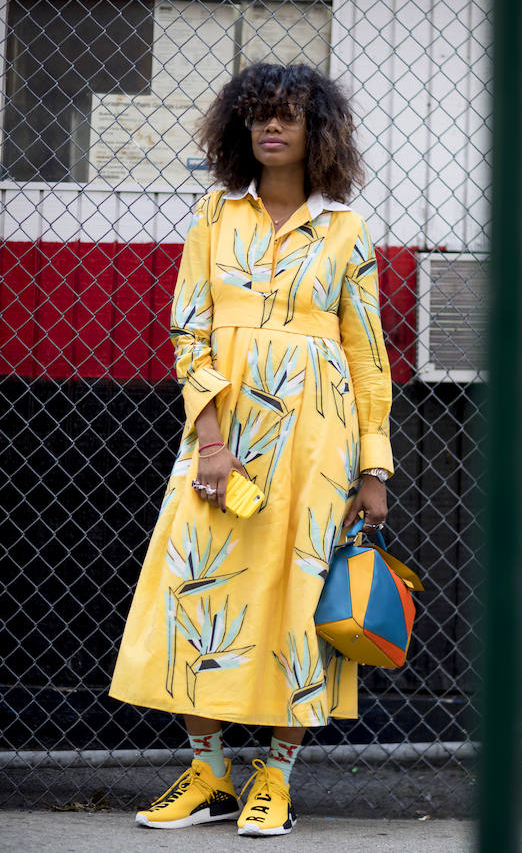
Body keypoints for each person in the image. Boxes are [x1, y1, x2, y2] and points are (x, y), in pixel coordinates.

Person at [109, 61, 393, 837]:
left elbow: (367, 356)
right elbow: (189, 330)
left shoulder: (345, 228)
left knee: (299, 601)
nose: (272, 127)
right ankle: (209, 773)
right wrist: (209, 441)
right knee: (199, 591)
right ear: (240, 127)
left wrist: (373, 466)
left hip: (317, 443)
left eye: (289, 116)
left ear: (317, 131)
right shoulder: (214, 212)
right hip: (224, 440)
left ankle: (276, 775)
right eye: (259, 115)